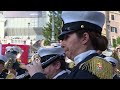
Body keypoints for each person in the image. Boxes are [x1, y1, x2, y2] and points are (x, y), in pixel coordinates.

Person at [25, 11, 113, 79]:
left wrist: (37, 76)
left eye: (66, 37)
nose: (62, 44)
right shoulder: (84, 66)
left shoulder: (91, 68)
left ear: (84, 38)